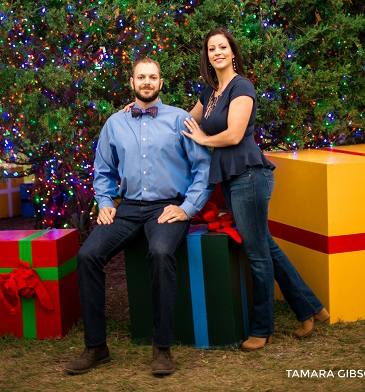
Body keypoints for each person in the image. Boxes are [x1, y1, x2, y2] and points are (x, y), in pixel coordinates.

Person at [181, 28, 328, 350]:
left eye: (223, 47)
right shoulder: (209, 94)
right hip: (233, 178)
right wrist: (137, 112)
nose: (217, 52)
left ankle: (262, 329)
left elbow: (233, 135)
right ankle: (312, 307)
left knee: (257, 254)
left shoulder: (241, 86)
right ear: (206, 56)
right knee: (266, 246)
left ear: (232, 52)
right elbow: (181, 121)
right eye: (211, 48)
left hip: (249, 175)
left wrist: (204, 140)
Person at [64, 58, 211, 377]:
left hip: (168, 206)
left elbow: (202, 168)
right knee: (88, 255)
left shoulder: (180, 120)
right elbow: (103, 171)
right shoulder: (114, 124)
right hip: (128, 208)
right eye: (141, 77)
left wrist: (186, 208)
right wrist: (105, 201)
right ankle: (96, 347)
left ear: (161, 82)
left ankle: (162, 348)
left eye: (153, 77)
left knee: (159, 253)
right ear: (131, 82)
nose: (147, 81)